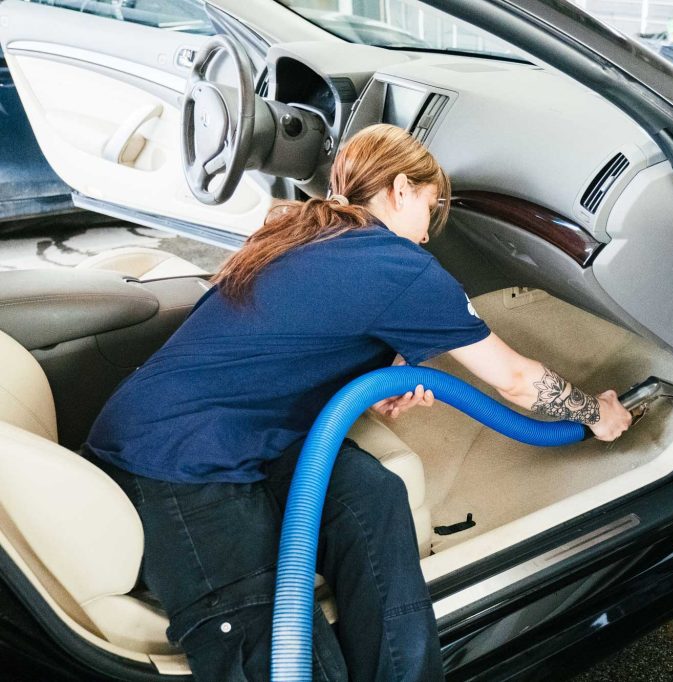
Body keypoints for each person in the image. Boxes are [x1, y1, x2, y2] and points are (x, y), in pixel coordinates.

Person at [83, 123, 632, 681]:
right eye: (430, 207)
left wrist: (380, 379)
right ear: (399, 188)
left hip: (243, 432)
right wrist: (598, 415)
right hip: (173, 458)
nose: (428, 233)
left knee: (373, 498)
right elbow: (515, 380)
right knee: (269, 644)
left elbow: (303, 336)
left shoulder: (300, 231)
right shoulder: (400, 266)